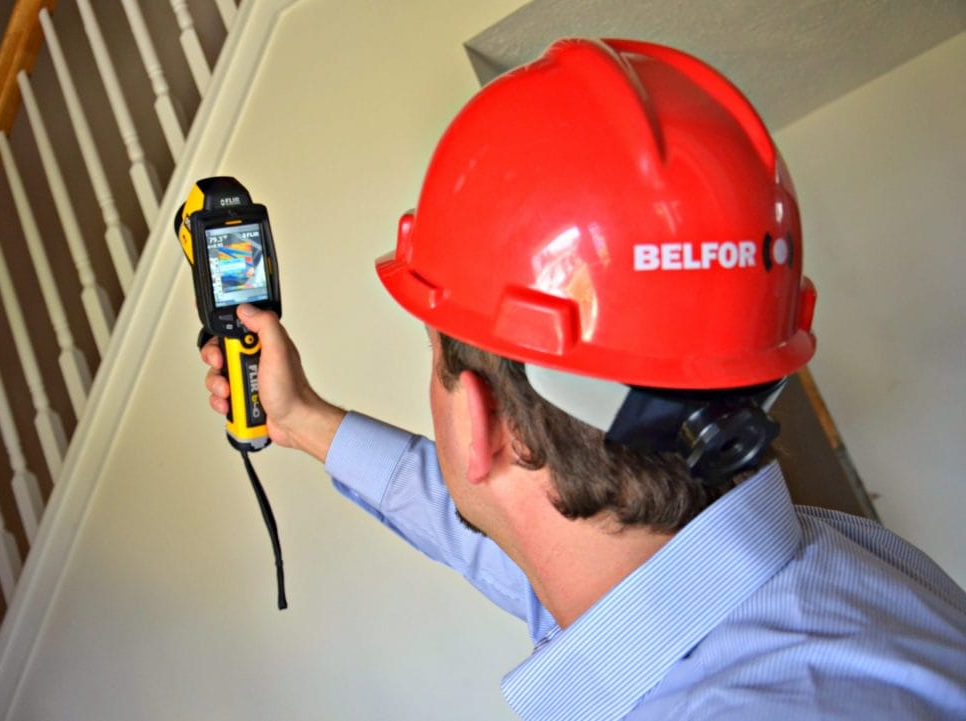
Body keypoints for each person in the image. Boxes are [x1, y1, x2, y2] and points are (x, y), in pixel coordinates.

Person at [200, 38, 966, 720]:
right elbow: (515, 529)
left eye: (433, 355)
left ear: (483, 419)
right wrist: (299, 418)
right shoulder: (834, 570)